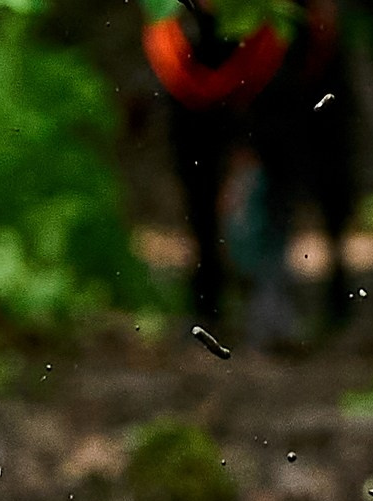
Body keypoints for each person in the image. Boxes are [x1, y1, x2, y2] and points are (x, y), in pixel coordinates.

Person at [145, 0, 354, 346]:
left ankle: (291, 295)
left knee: (297, 164)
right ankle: (206, 298)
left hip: (275, 26)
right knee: (197, 177)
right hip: (195, 35)